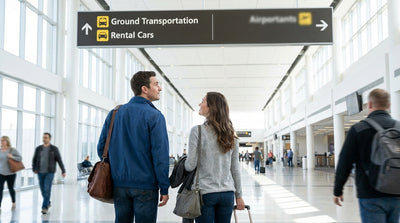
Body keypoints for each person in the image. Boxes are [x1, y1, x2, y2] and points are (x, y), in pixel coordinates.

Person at [98, 71, 169, 223]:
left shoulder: (115, 113)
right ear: (145, 89)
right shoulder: (155, 116)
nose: (160, 88)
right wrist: (164, 187)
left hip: (119, 185)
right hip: (146, 186)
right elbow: (160, 156)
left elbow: (101, 148)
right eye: (156, 84)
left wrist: (118, 168)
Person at [334, 89, 400, 223]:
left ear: (369, 104)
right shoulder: (398, 128)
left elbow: (345, 162)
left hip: (369, 193)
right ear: (389, 105)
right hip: (396, 191)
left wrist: (338, 189)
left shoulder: (359, 129)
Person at [185, 92, 245, 223]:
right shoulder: (231, 135)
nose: (199, 104)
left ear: (211, 107)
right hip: (227, 194)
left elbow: (190, 165)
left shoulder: (197, 131)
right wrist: (239, 196)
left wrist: (182, 162)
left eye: (203, 101)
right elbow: (235, 169)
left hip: (205, 193)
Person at [32, 133, 66, 214]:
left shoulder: (54, 149)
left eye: (46, 138)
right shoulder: (39, 149)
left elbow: (59, 160)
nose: (44, 139)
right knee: (42, 190)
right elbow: (34, 159)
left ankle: (44, 207)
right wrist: (34, 168)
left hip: (50, 172)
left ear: (49, 139)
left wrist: (63, 170)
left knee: (47, 189)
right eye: (43, 137)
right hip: (40, 172)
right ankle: (48, 202)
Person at [0, 136, 22, 210]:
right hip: (1, 173)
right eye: (1, 140)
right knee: (0, 189)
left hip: (11, 174)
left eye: (3, 140)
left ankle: (13, 201)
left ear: (7, 141)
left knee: (11, 188)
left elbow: (20, 158)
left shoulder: (12, 150)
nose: (2, 142)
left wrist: (12, 157)